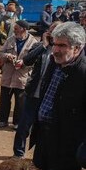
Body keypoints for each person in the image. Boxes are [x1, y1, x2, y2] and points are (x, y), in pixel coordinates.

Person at [31, 21, 85, 170]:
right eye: (54, 44)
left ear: (77, 47)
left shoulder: (83, 73)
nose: (55, 49)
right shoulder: (55, 63)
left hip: (66, 147)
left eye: (62, 45)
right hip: (44, 138)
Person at [13, 21, 61, 158]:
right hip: (33, 93)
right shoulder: (40, 46)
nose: (52, 33)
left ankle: (39, 156)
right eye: (51, 29)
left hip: (49, 98)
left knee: (42, 129)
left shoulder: (63, 51)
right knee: (23, 127)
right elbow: (27, 60)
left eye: (56, 30)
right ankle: (18, 153)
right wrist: (44, 44)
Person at [0, 20, 38, 130]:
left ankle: (18, 122)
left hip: (22, 76)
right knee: (4, 99)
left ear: (23, 29)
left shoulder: (33, 43)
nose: (14, 30)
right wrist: (7, 56)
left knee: (20, 101)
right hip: (8, 75)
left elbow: (36, 60)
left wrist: (24, 62)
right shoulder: (10, 40)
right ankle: (2, 120)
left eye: (16, 28)